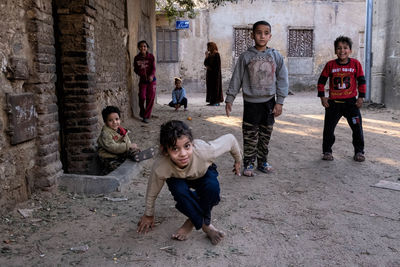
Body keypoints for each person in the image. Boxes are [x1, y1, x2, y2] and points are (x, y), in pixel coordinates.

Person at [137, 120, 242, 245]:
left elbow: (230, 140)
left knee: (212, 189)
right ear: (165, 151)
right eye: (175, 149)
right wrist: (149, 214)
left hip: (203, 173)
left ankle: (191, 221)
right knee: (180, 192)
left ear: (192, 143)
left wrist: (238, 161)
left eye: (187, 146)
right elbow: (152, 191)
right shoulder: (161, 166)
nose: (183, 154)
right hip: (179, 179)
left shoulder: (204, 151)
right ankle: (206, 226)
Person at [225, 20, 289, 177]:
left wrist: (280, 102)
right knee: (250, 135)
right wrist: (230, 98)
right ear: (252, 35)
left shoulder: (276, 56)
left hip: (269, 103)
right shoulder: (246, 57)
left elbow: (283, 79)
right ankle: (248, 163)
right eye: (259, 33)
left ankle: (262, 162)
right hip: (251, 104)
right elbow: (237, 78)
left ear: (270, 36)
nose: (262, 36)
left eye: (266, 33)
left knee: (265, 135)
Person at [317, 36, 366, 162]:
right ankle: (327, 151)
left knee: (357, 128)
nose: (342, 51)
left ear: (350, 50)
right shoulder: (330, 65)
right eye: (339, 48)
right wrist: (323, 98)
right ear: (335, 50)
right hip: (333, 104)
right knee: (328, 129)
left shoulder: (356, 64)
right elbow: (321, 82)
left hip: (351, 103)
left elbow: (362, 81)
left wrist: (361, 97)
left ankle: (359, 151)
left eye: (345, 48)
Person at [97, 106, 155, 174]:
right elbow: (112, 147)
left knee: (132, 150)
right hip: (108, 157)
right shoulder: (106, 133)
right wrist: (128, 146)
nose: (115, 122)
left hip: (120, 153)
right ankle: (106, 171)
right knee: (116, 167)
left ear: (120, 119)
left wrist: (131, 147)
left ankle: (137, 155)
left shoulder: (121, 130)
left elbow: (127, 141)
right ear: (105, 122)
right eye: (110, 120)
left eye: (117, 119)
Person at [133, 40, 156, 123]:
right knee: (142, 97)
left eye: (145, 46)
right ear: (139, 48)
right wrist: (140, 73)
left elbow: (153, 68)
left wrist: (151, 76)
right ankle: (142, 112)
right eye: (141, 46)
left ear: (147, 48)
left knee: (150, 98)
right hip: (143, 81)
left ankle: (146, 116)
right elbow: (135, 69)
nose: (143, 48)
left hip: (152, 81)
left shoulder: (151, 57)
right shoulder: (136, 58)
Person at [204, 42, 223, 106]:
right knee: (210, 88)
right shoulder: (209, 54)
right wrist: (206, 56)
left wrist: (210, 67)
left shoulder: (216, 54)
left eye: (209, 47)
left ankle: (216, 101)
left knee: (215, 88)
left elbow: (217, 65)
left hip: (215, 75)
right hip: (209, 74)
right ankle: (211, 101)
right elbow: (205, 63)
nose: (208, 48)